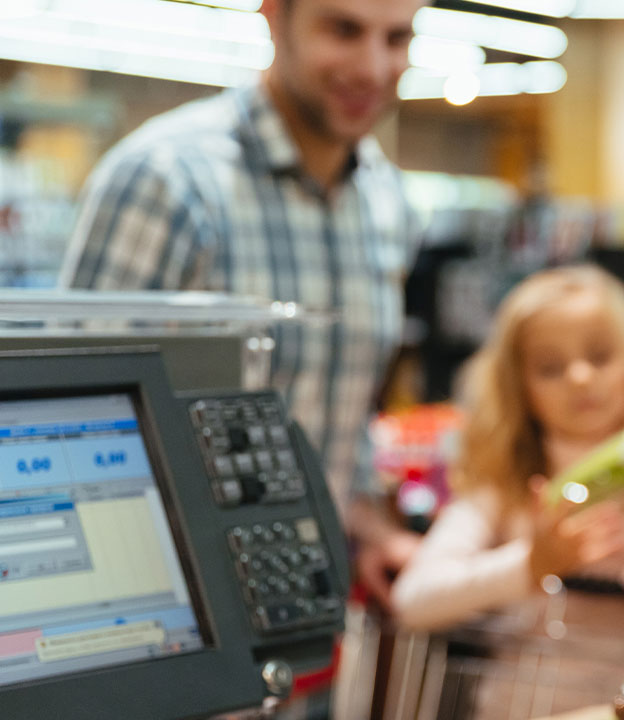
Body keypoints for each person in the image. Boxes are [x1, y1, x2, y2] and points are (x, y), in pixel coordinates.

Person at [58, 0, 425, 608]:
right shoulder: (167, 181)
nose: (373, 67)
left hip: (310, 609)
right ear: (274, 16)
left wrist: (370, 526)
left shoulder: (388, 204)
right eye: (344, 29)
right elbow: (70, 414)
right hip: (174, 623)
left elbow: (340, 416)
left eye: (397, 37)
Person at [389, 265, 624, 630]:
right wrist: (531, 564)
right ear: (518, 387)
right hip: (522, 683)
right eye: (550, 367)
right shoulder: (506, 477)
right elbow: (411, 600)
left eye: (600, 356)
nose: (580, 378)